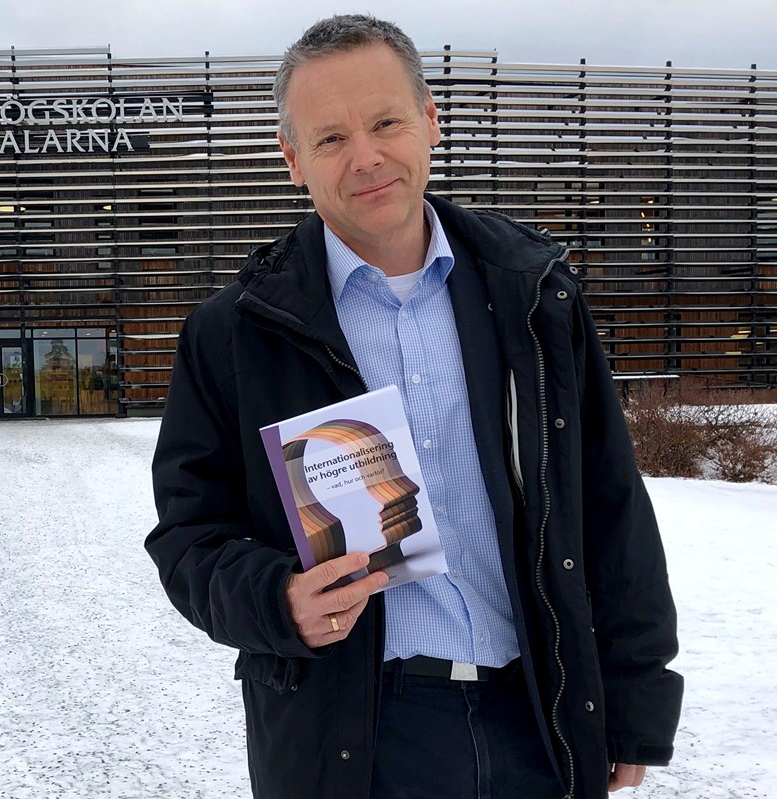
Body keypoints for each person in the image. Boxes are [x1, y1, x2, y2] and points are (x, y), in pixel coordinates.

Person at [146, 14, 682, 799]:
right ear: (292, 160)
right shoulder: (235, 334)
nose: (366, 156)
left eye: (386, 121)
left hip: (537, 714)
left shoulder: (534, 297)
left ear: (430, 120)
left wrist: (636, 699)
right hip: (355, 734)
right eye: (329, 139)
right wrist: (277, 596)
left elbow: (608, 504)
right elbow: (189, 536)